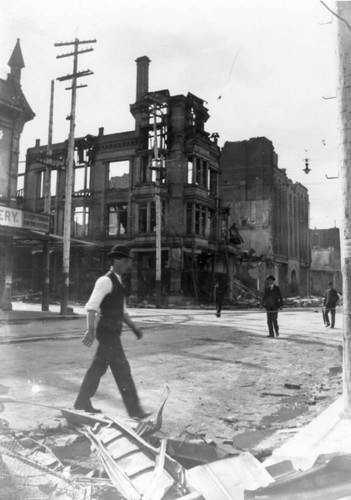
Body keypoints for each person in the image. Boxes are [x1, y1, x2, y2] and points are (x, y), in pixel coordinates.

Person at [74, 244, 150, 419]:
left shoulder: (119, 281)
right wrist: (90, 331)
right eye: (125, 261)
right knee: (122, 368)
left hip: (113, 331)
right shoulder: (105, 281)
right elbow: (91, 307)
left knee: (98, 367)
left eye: (128, 261)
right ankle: (135, 411)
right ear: (115, 260)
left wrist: (134, 328)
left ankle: (82, 401)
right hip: (106, 332)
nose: (127, 264)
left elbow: (122, 311)